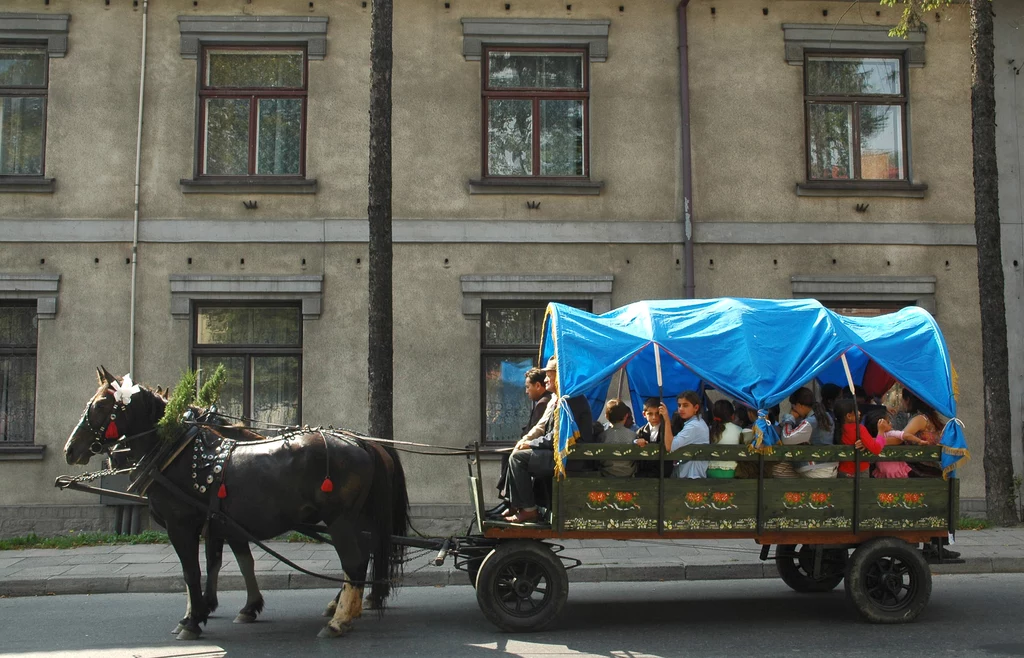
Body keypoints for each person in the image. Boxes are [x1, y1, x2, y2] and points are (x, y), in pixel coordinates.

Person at [503, 357, 560, 523]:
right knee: (515, 452)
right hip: (551, 451)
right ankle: (518, 504)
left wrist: (530, 444)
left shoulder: (566, 400)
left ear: (559, 377)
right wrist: (524, 441)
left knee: (518, 458)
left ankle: (529, 509)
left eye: (549, 376)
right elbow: (541, 427)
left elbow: (556, 436)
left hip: (561, 457)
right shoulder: (555, 400)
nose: (546, 379)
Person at [494, 368, 551, 507]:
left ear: (538, 385)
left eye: (527, 387)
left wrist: (526, 442)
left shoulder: (545, 402)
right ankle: (509, 500)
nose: (526, 391)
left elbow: (539, 430)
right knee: (508, 453)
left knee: (512, 456)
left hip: (543, 449)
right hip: (539, 446)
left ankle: (514, 503)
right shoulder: (544, 401)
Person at [833, 398, 884, 477]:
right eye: (856, 411)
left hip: (842, 472)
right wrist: (881, 431)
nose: (860, 413)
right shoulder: (859, 429)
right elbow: (876, 449)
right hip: (860, 471)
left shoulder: (836, 429)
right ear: (849, 416)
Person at [797, 387, 838, 479]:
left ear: (799, 405)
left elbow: (787, 438)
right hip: (832, 466)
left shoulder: (810, 421)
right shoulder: (827, 416)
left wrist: (789, 419)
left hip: (816, 468)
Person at [863, 408, 914, 478]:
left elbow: (902, 437)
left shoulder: (891, 435)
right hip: (888, 473)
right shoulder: (879, 439)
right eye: (888, 422)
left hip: (895, 473)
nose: (891, 423)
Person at [669, 391, 709, 479]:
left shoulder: (694, 426)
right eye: (679, 405)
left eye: (685, 405)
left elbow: (671, 446)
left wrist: (666, 419)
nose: (681, 409)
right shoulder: (695, 423)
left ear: (696, 407)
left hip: (692, 477)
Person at [597, 398, 636, 477]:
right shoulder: (633, 435)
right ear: (626, 416)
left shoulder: (602, 436)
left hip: (607, 473)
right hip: (628, 474)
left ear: (606, 416)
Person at [634, 397, 672, 478]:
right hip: (645, 474)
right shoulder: (640, 431)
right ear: (644, 414)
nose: (654, 417)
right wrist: (636, 441)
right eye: (650, 414)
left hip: (664, 473)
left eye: (657, 413)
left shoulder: (668, 429)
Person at [707, 399, 741, 478]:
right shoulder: (739, 430)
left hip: (711, 471)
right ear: (732, 416)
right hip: (732, 472)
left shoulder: (710, 430)